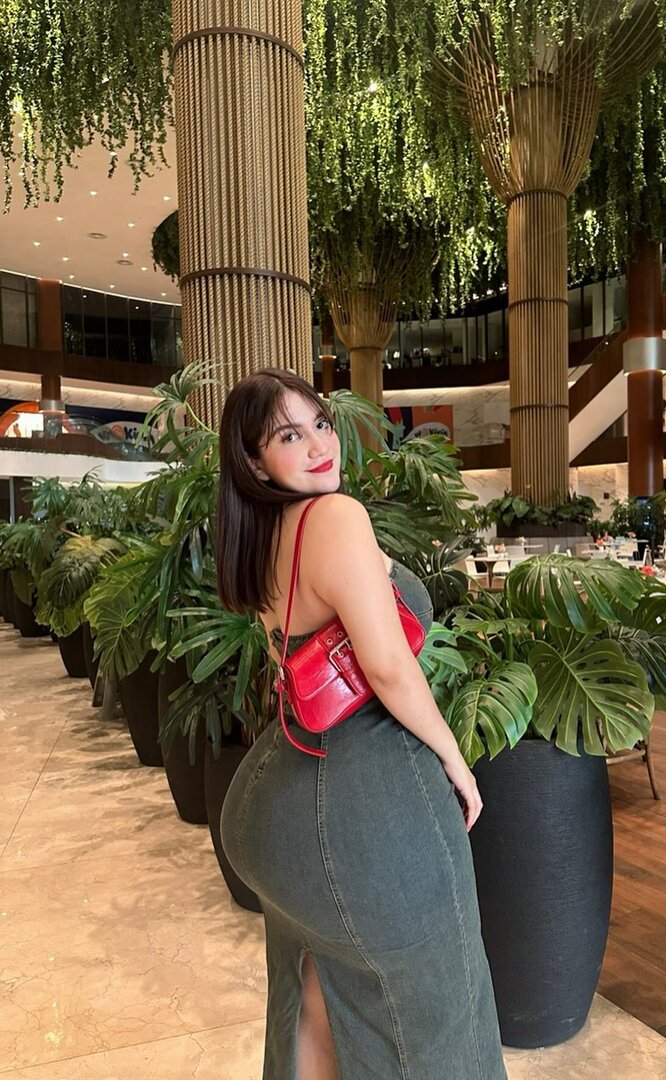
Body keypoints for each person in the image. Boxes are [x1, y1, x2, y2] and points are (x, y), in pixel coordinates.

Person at [216, 368, 507, 1080]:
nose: (321, 445)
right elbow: (387, 668)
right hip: (358, 809)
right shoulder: (335, 517)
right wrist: (455, 760)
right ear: (256, 461)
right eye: (290, 436)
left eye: (320, 423)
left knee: (317, 996)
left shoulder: (262, 532)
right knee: (435, 1012)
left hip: (274, 800)